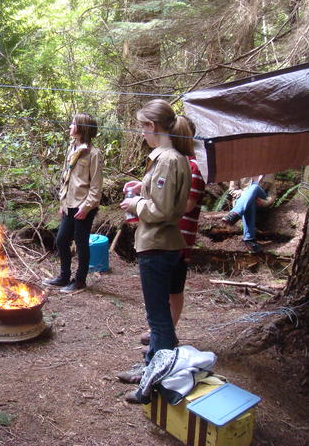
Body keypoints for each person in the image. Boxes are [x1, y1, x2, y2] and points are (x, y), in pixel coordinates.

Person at [115, 99, 192, 398]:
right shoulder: (170, 158)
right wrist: (142, 188)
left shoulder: (168, 159)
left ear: (152, 125)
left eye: (142, 127)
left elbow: (161, 210)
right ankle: (151, 365)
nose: (142, 133)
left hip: (158, 246)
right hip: (162, 245)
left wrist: (135, 203)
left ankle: (155, 381)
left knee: (158, 319)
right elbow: (163, 198)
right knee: (159, 318)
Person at [139, 117, 205, 347]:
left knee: (173, 289)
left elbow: (184, 205)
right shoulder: (176, 160)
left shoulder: (188, 164)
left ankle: (167, 333)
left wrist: (142, 204)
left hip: (178, 236)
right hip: (168, 235)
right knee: (164, 291)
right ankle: (161, 333)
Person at [43, 113, 104, 293]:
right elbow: (66, 177)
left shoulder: (94, 154)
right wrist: (63, 203)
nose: (70, 126)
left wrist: (86, 207)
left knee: (81, 243)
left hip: (84, 205)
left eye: (73, 123)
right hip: (69, 203)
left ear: (82, 128)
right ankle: (64, 277)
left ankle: (79, 281)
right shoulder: (72, 147)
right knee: (62, 240)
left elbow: (96, 186)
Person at [221, 174, 276, 253]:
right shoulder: (240, 170)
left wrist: (266, 202)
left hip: (260, 202)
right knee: (250, 201)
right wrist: (246, 195)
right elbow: (232, 189)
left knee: (255, 187)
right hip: (241, 200)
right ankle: (249, 241)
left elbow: (272, 194)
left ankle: (235, 213)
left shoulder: (269, 173)